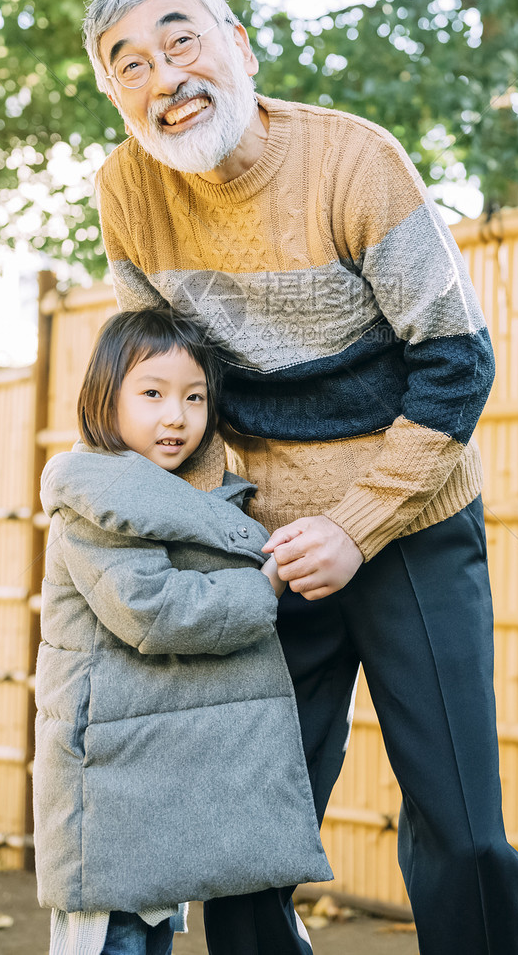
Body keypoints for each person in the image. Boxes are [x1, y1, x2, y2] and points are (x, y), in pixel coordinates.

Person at [82, 0, 518, 955]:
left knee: (462, 837)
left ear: (236, 45)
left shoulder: (352, 161)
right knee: (243, 835)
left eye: (181, 38)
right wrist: (221, 531)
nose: (165, 76)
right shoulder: (124, 192)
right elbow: (171, 395)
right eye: (130, 65)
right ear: (116, 97)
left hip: (412, 524)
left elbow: (457, 364)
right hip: (264, 546)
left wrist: (354, 524)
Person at [33, 308, 331, 955]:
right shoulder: (96, 498)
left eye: (194, 397)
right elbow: (153, 608)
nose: (176, 415)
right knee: (108, 935)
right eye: (153, 393)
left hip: (146, 777)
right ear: (103, 398)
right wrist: (263, 586)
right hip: (105, 776)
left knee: (146, 928)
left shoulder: (177, 494)